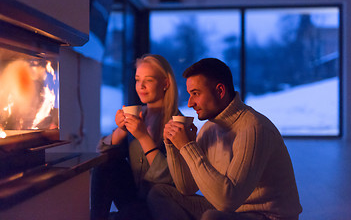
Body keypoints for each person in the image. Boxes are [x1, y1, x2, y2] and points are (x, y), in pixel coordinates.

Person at [148, 58, 302, 220]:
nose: (190, 103)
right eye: (189, 95)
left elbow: (227, 201)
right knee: (160, 193)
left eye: (196, 94)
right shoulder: (209, 128)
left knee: (212, 217)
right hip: (230, 212)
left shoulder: (255, 128)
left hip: (267, 216)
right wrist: (174, 147)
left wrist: (188, 146)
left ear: (220, 91)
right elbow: (187, 187)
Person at [91, 54, 179, 220]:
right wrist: (121, 130)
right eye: (138, 80)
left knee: (132, 213)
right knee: (106, 163)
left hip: (161, 202)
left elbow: (170, 177)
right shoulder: (139, 115)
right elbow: (100, 153)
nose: (141, 86)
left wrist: (143, 137)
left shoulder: (176, 123)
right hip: (133, 196)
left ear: (165, 83)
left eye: (149, 80)